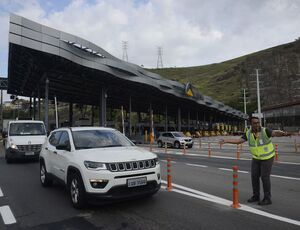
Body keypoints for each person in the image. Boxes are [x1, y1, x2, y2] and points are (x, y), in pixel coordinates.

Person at [219, 116, 289, 205]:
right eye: (255, 123)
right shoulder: (248, 133)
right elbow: (238, 141)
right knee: (254, 176)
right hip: (256, 158)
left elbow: (274, 133)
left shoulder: (265, 131)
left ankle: (267, 198)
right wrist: (226, 140)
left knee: (264, 177)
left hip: (267, 157)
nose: (257, 124)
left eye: (258, 122)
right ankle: (256, 196)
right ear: (251, 124)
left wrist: (281, 133)